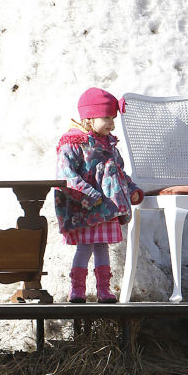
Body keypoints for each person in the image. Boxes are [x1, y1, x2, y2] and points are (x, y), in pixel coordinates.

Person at [55, 87, 143, 303]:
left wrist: (132, 190)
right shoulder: (73, 144)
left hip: (107, 206)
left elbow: (120, 172)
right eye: (107, 118)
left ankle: (104, 289)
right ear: (89, 117)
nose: (112, 124)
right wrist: (89, 194)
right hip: (85, 206)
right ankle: (77, 289)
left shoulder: (109, 144)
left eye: (113, 118)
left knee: (102, 246)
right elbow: (66, 175)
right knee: (85, 248)